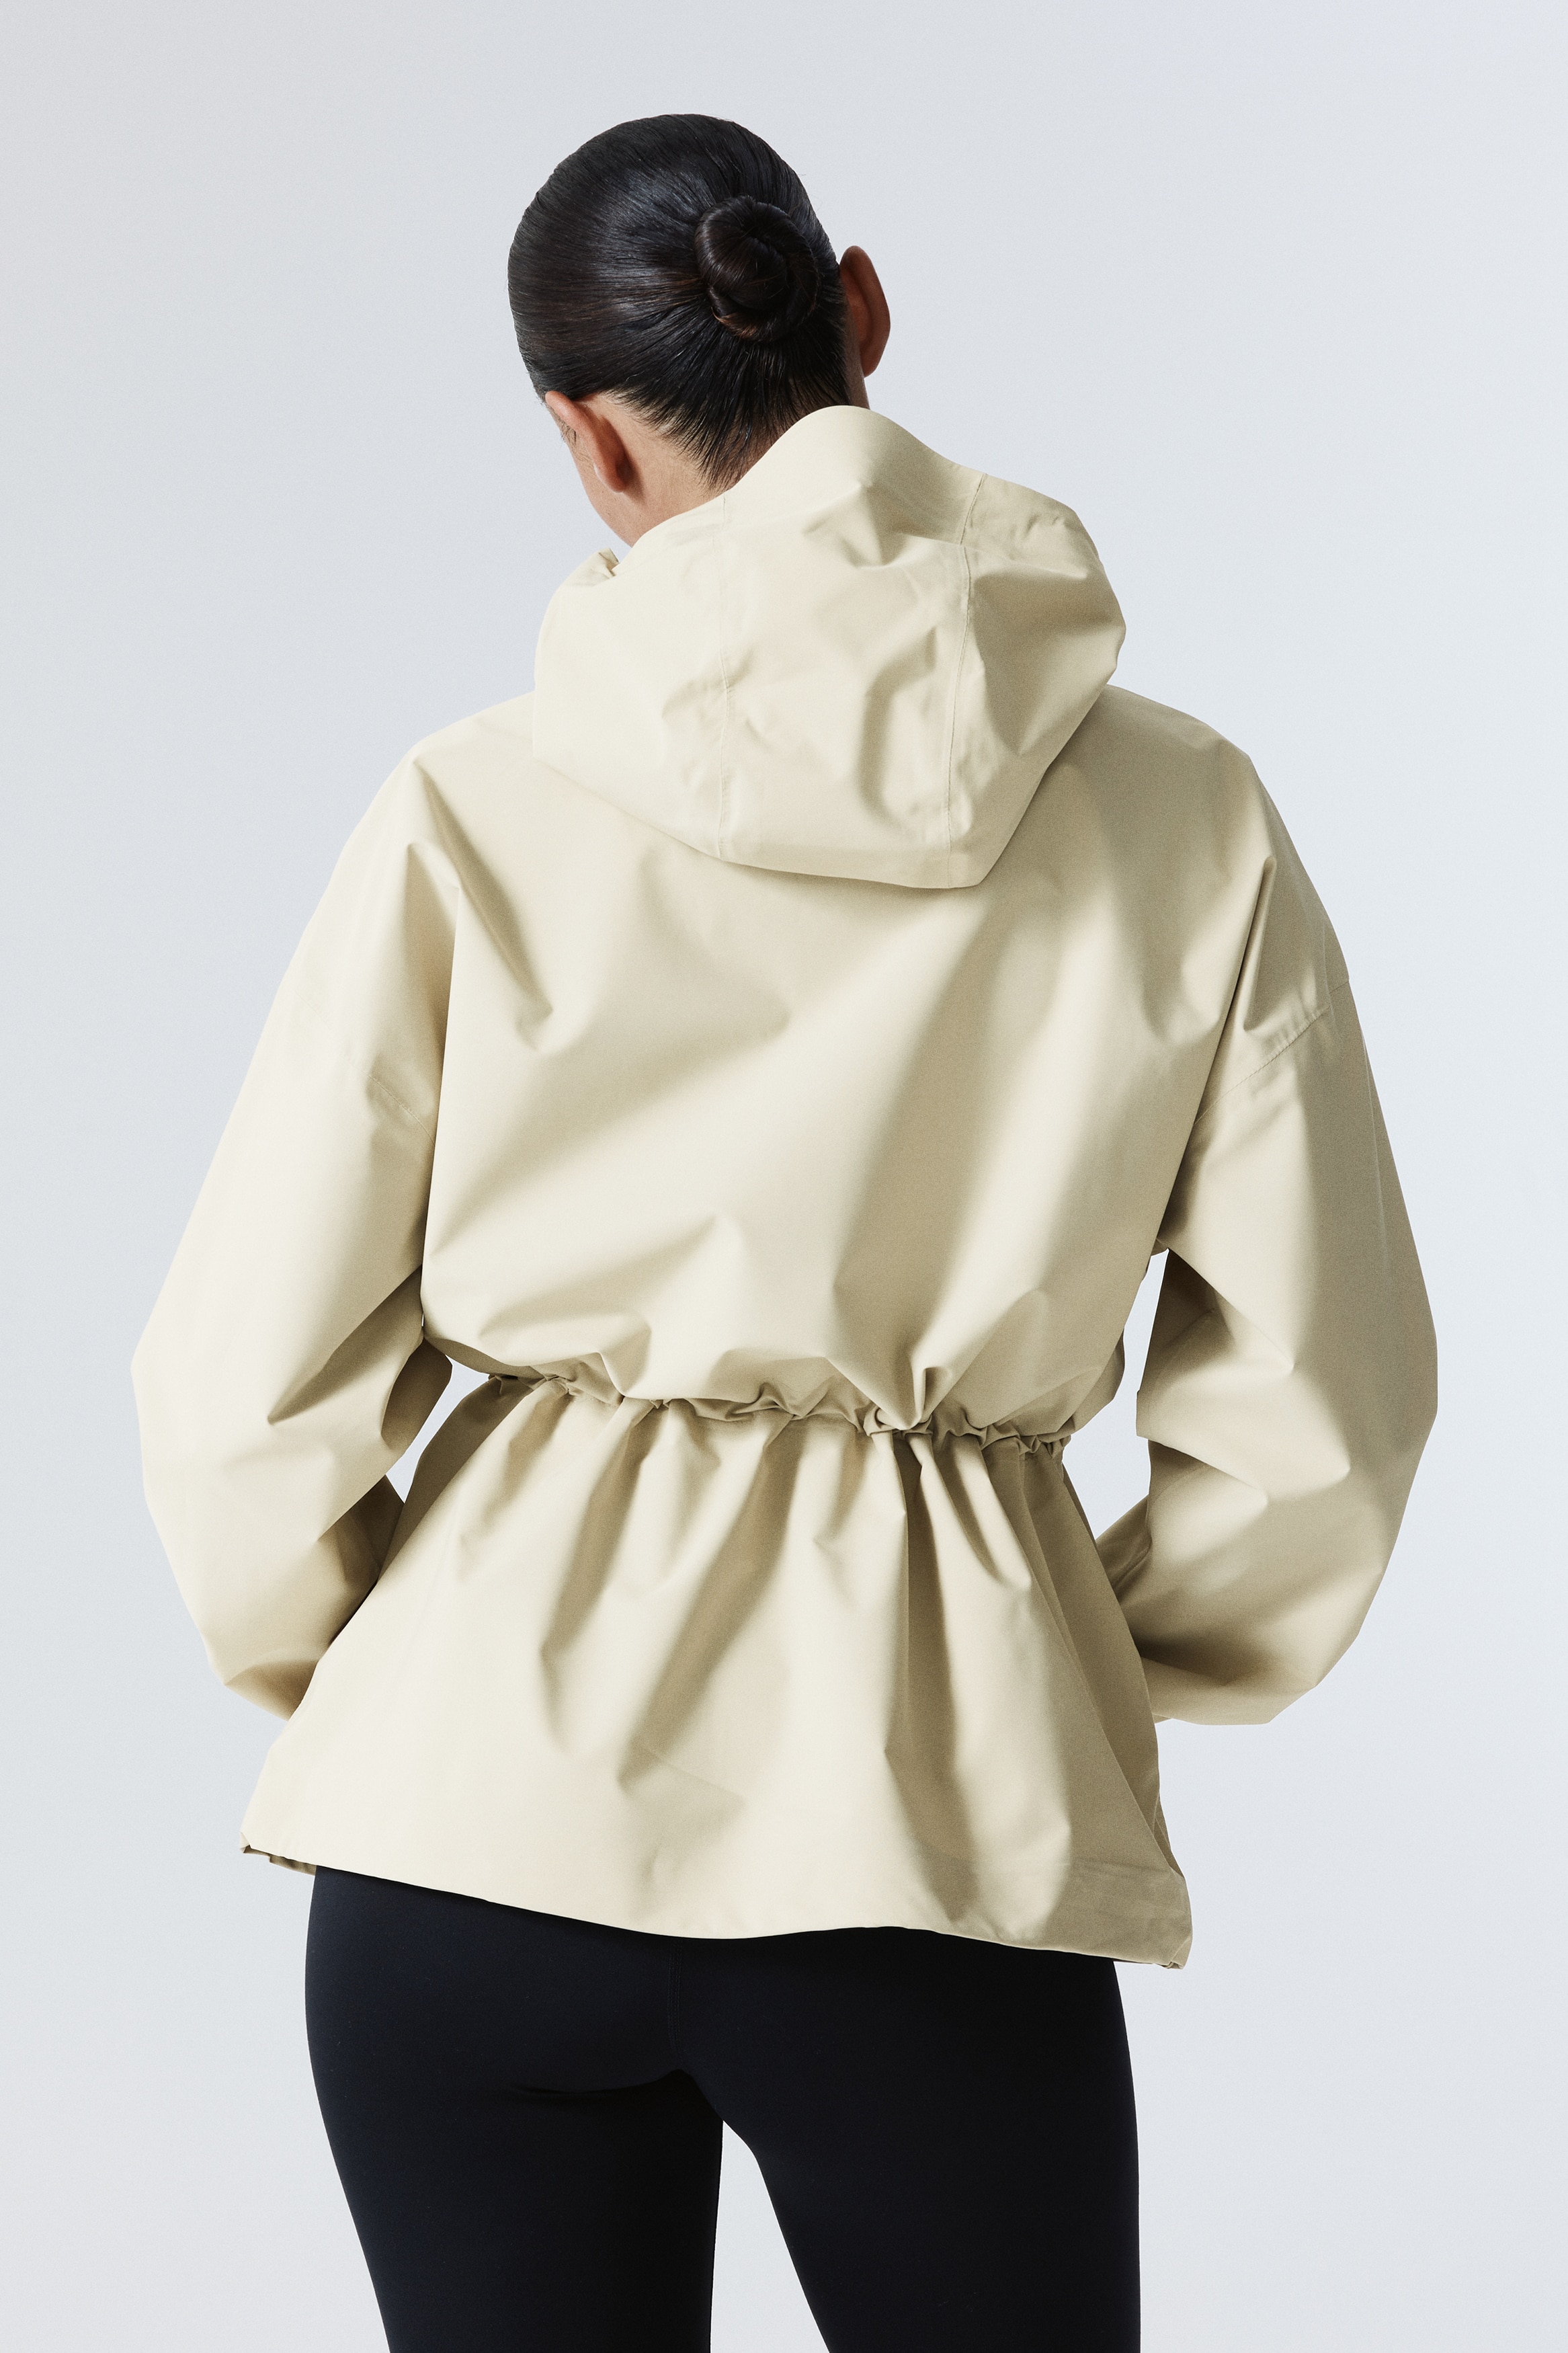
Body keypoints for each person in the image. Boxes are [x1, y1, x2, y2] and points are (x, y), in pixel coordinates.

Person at [133, 113, 1436, 2353]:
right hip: (928, 1836)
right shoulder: (1185, 814)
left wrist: (405, 1673)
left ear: (585, 438)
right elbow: (1328, 1408)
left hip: (464, 1835)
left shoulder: (470, 803)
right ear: (860, 309)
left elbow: (237, 1390)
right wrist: (1055, 1664)